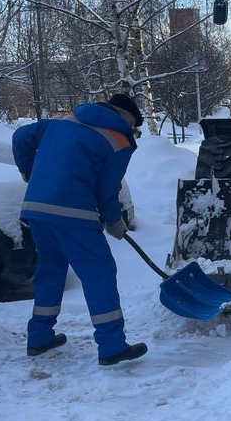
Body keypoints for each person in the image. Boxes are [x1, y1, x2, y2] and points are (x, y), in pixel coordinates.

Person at [12, 93, 148, 366]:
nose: (131, 130)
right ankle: (112, 346)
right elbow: (108, 189)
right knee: (99, 272)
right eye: (132, 123)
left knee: (51, 269)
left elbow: (20, 136)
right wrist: (113, 221)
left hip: (37, 207)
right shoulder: (119, 141)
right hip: (74, 212)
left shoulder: (64, 120)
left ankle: (39, 336)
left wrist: (28, 170)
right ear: (121, 114)